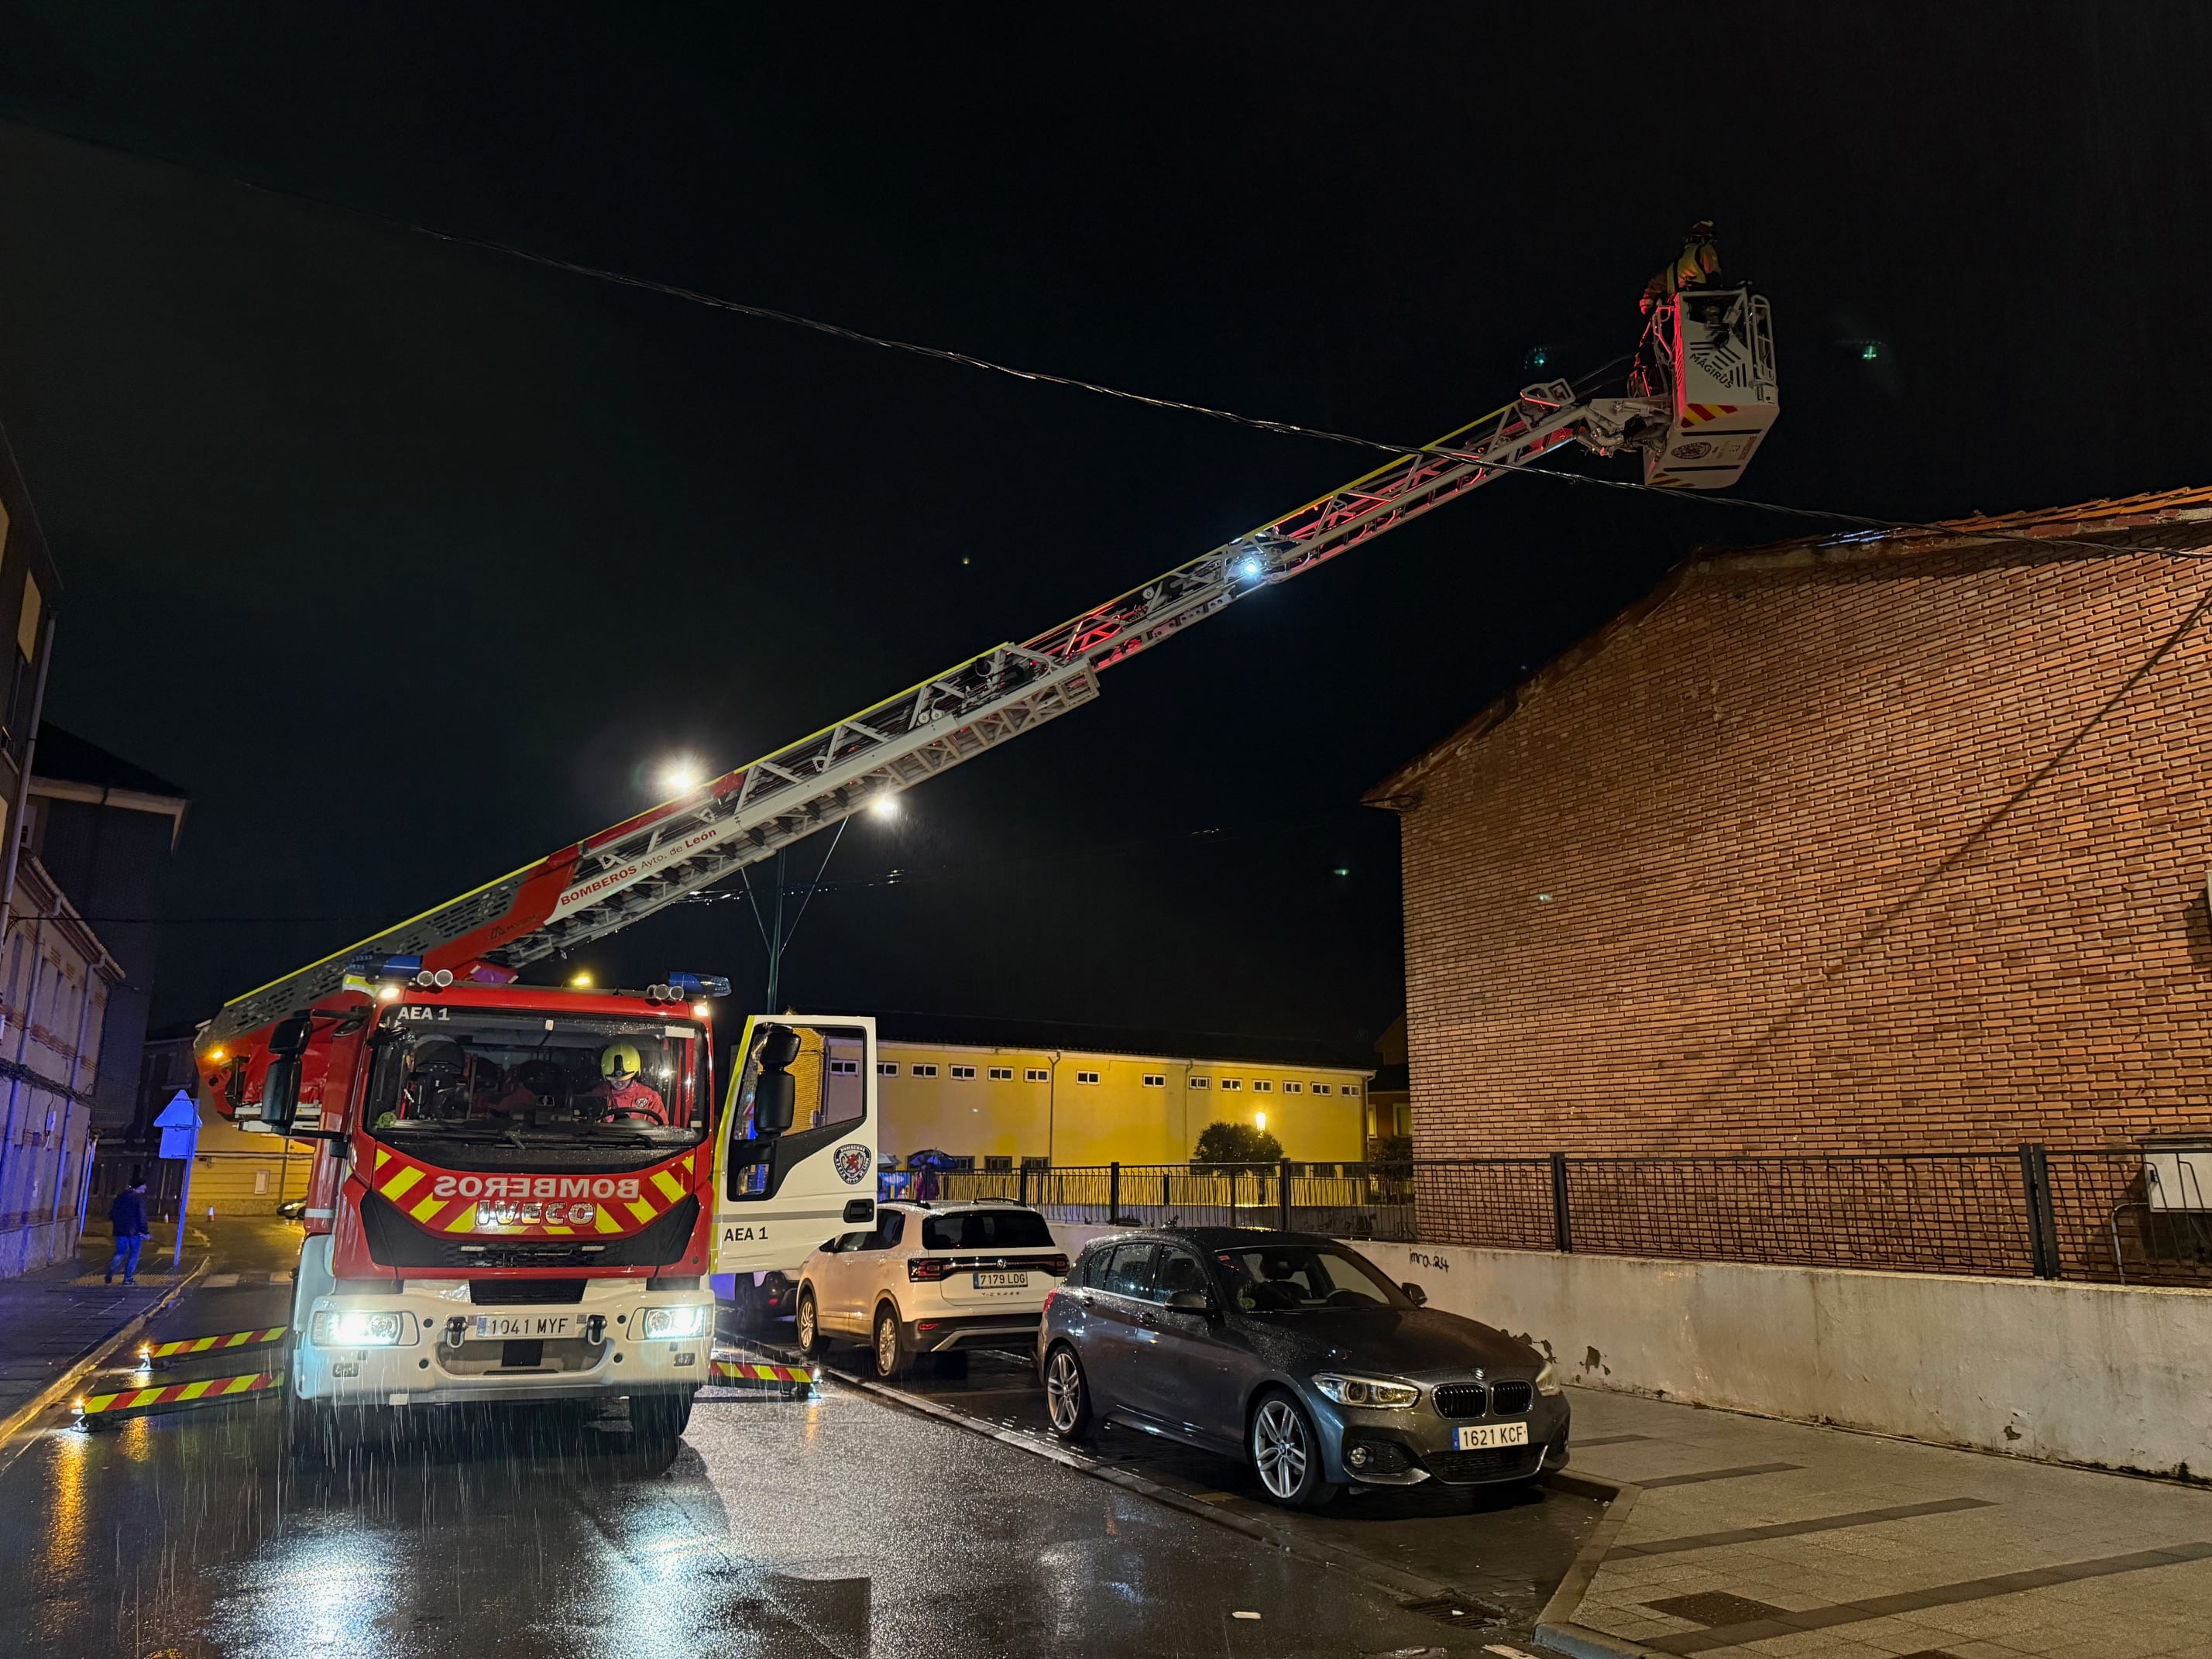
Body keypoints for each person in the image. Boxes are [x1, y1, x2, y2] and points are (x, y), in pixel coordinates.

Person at [1640, 220, 1721, 314]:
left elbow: (1654, 286)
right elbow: (1715, 279)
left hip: (1678, 315)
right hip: (1701, 309)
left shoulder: (1673, 266)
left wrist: (1647, 304)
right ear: (1704, 238)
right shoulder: (1704, 250)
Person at [589, 1042, 668, 1124]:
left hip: (641, 1137)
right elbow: (585, 1125)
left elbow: (660, 1131)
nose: (619, 1083)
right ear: (606, 1077)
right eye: (614, 1079)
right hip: (604, 1137)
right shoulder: (597, 1096)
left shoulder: (651, 1098)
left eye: (624, 1080)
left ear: (635, 1075)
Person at [106, 1180, 152, 1286]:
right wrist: (145, 1232)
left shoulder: (120, 1198)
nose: (145, 1187)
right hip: (136, 1232)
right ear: (139, 1186)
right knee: (134, 1255)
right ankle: (128, 1278)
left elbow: (112, 1214)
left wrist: (118, 1226)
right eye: (144, 1185)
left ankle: (112, 1268)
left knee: (121, 1253)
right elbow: (142, 1217)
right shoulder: (139, 1199)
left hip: (120, 1231)